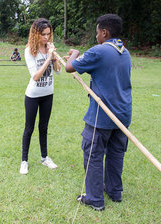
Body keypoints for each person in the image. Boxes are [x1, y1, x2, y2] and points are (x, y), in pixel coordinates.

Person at [64, 14, 132, 211]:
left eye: (97, 33)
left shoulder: (99, 51)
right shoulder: (124, 51)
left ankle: (94, 199)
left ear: (104, 32)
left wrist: (75, 53)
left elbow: (69, 67)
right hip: (123, 115)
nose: (96, 37)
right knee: (116, 153)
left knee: (93, 154)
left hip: (102, 116)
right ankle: (114, 191)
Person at [20, 18, 62, 175]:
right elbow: (35, 76)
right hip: (33, 96)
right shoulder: (29, 51)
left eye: (48, 34)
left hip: (48, 95)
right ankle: (24, 161)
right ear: (35, 34)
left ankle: (44, 158)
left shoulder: (50, 49)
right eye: (43, 34)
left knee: (43, 127)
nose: (46, 38)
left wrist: (54, 56)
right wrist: (48, 58)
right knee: (29, 129)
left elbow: (58, 71)